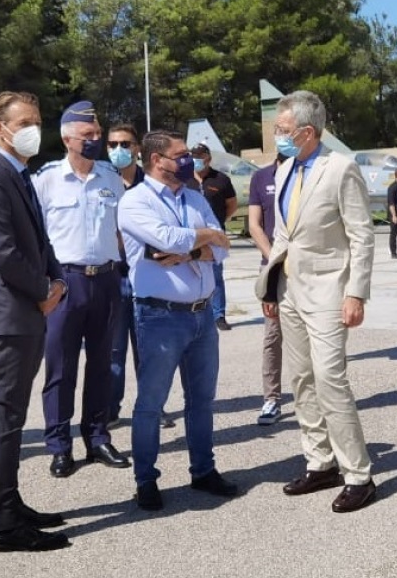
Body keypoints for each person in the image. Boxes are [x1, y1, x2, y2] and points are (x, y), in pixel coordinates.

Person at [0, 91, 71, 552]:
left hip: (26, 311)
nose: (32, 128)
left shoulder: (18, 175)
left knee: (15, 417)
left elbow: (39, 243)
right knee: (5, 421)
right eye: (23, 121)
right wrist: (43, 291)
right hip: (9, 316)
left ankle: (12, 502)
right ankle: (5, 525)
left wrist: (57, 276)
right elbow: (2, 253)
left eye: (36, 119)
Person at [257, 90, 376, 513]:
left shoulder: (340, 168)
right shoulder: (287, 168)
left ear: (308, 132)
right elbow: (285, 234)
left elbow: (362, 235)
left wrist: (356, 292)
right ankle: (320, 461)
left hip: (329, 291)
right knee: (302, 380)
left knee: (330, 379)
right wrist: (270, 285)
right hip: (289, 289)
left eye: (284, 130)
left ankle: (358, 474)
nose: (278, 136)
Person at [118, 130, 238, 511]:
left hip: (202, 314)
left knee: (201, 400)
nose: (189, 160)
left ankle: (203, 471)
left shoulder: (195, 197)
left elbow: (222, 249)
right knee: (151, 403)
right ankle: (146, 480)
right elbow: (165, 238)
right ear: (157, 160)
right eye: (181, 154)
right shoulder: (134, 201)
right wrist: (203, 240)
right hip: (159, 316)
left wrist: (190, 249)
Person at [32, 102, 131, 478]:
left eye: (97, 134)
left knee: (103, 365)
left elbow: (124, 230)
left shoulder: (110, 178)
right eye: (86, 135)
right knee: (60, 367)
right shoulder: (46, 179)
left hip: (106, 279)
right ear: (66, 137)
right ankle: (59, 445)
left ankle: (98, 436)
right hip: (65, 283)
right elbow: (36, 237)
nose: (95, 140)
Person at [103, 123, 147, 426]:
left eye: (126, 144)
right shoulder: (103, 182)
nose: (119, 150)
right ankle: (110, 409)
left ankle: (150, 407)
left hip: (147, 274)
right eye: (113, 144)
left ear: (138, 148)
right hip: (114, 276)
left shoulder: (151, 184)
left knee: (147, 348)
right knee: (114, 350)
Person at [247, 155, 284, 425]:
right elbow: (254, 225)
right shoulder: (261, 178)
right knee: (272, 336)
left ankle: (317, 397)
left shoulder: (308, 174)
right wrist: (273, 260)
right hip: (271, 267)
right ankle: (271, 398)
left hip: (305, 268)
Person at [190, 143, 237, 332]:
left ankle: (219, 315)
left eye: (200, 156)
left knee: (216, 276)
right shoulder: (184, 179)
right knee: (192, 272)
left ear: (208, 158)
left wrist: (218, 223)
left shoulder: (221, 180)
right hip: (192, 237)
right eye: (193, 156)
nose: (196, 160)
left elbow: (231, 205)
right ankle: (196, 313)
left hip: (215, 237)